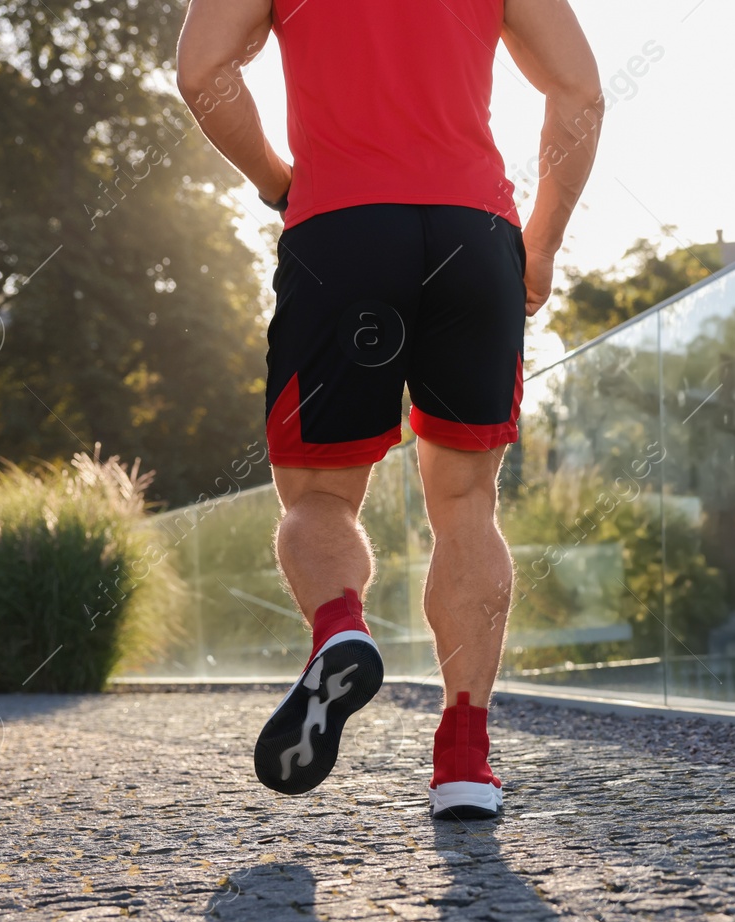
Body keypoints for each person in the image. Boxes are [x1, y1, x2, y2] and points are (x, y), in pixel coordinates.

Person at [176, 0, 603, 819]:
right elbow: (579, 92)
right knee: (468, 502)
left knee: (320, 496)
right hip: (474, 235)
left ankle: (341, 625)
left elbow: (201, 72)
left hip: (341, 230)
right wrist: (539, 244)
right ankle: (464, 760)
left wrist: (277, 180)